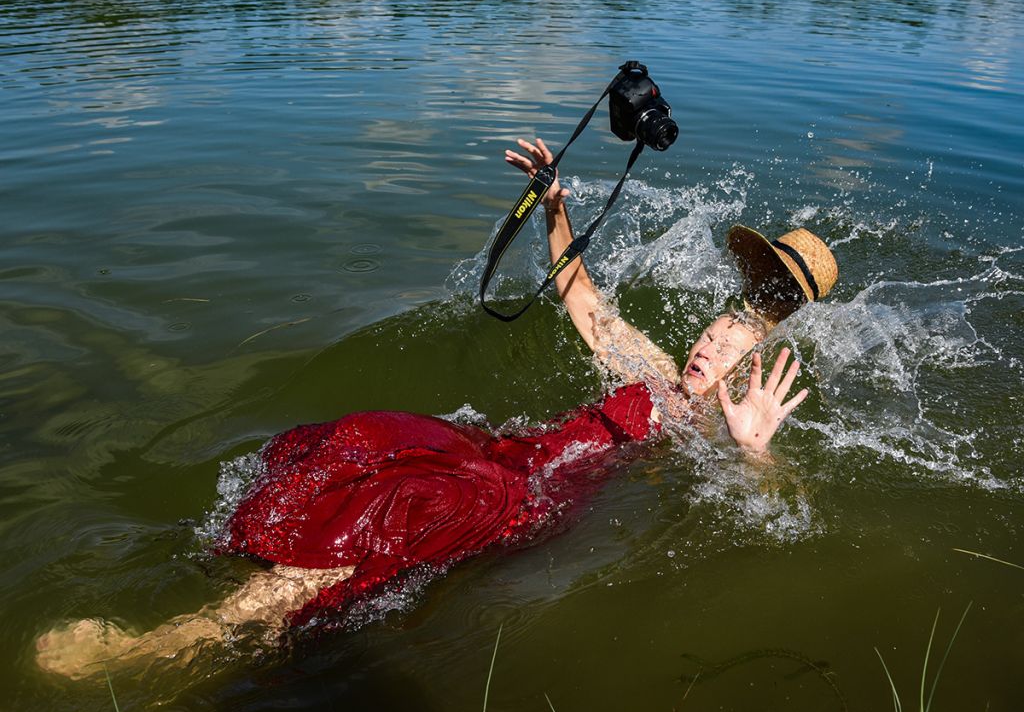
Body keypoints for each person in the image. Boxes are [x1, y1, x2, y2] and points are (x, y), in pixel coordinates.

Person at [35, 137, 838, 681]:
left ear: (756, 369)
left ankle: (166, 644)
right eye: (706, 334)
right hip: (502, 454)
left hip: (525, 501)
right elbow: (584, 301)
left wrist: (758, 453)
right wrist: (553, 202)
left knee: (400, 509)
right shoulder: (658, 372)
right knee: (364, 436)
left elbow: (781, 516)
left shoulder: (721, 433)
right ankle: (249, 551)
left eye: (726, 349)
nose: (704, 350)